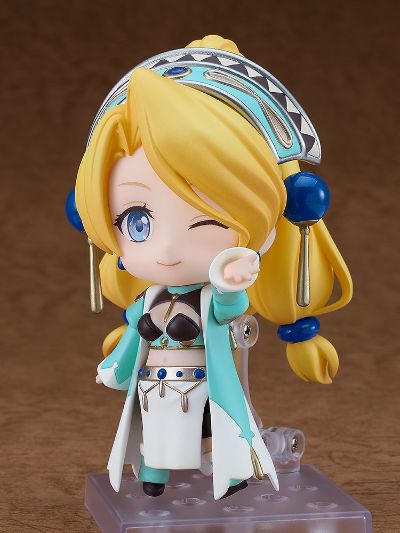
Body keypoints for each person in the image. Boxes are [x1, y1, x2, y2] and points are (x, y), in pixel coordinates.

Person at [74, 34, 352, 500]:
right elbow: (131, 343)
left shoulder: (210, 296)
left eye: (206, 222)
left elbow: (227, 310)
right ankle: (154, 476)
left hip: (205, 387)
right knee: (154, 435)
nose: (166, 249)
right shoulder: (148, 298)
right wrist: (114, 367)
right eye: (137, 222)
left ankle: (231, 473)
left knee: (213, 434)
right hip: (156, 387)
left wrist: (228, 285)